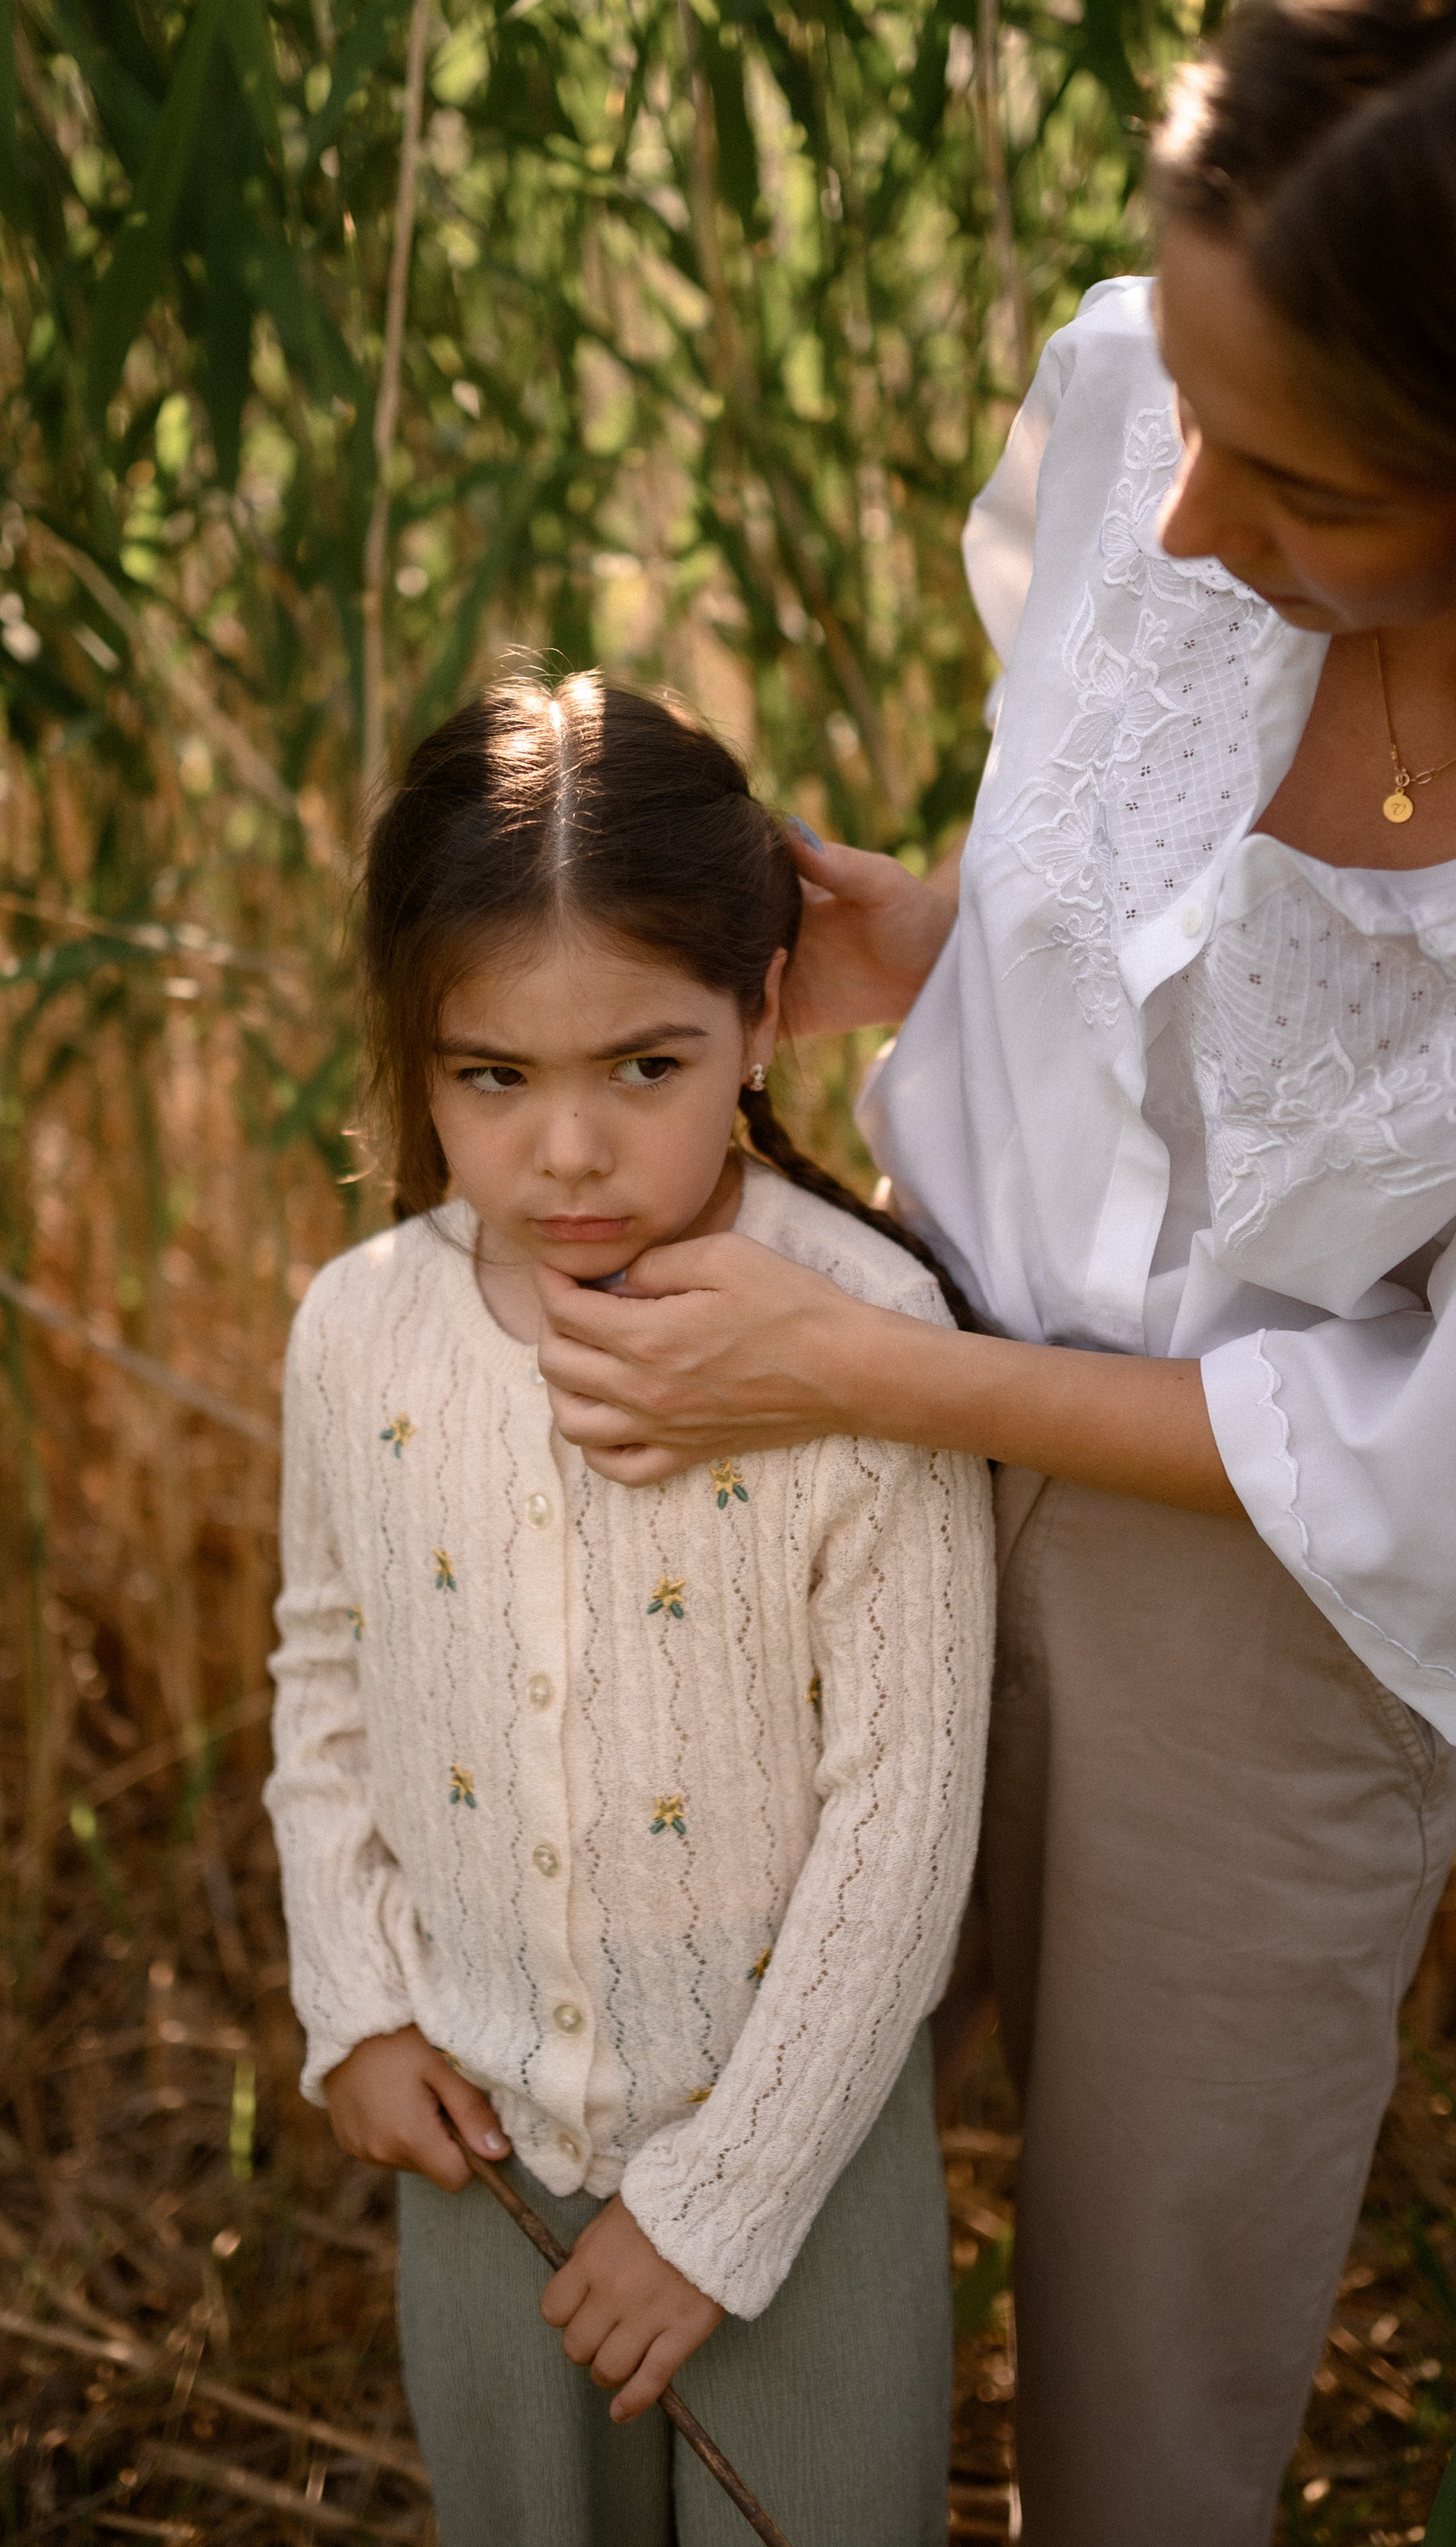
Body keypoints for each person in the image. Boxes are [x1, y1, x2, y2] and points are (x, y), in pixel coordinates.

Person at [529, 0, 1456, 2547]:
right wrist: (944, 934)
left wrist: (878, 1370)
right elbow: (1184, 904)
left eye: (1306, 480)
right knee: (729, 2138)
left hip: (1257, 1574)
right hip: (851, 1391)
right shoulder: (1165, 399)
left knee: (1159, 2346)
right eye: (1190, 406)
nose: (1190, 515)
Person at [264, 675, 995, 2546]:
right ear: (416, 1051)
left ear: (763, 1010)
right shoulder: (365, 1330)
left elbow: (903, 1812)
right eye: (491, 1074)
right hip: (484, 2139)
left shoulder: (865, 1334)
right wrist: (353, 1998)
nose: (564, 1152)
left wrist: (722, 2198)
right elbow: (328, 1662)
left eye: (644, 1067)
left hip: (796, 2160)